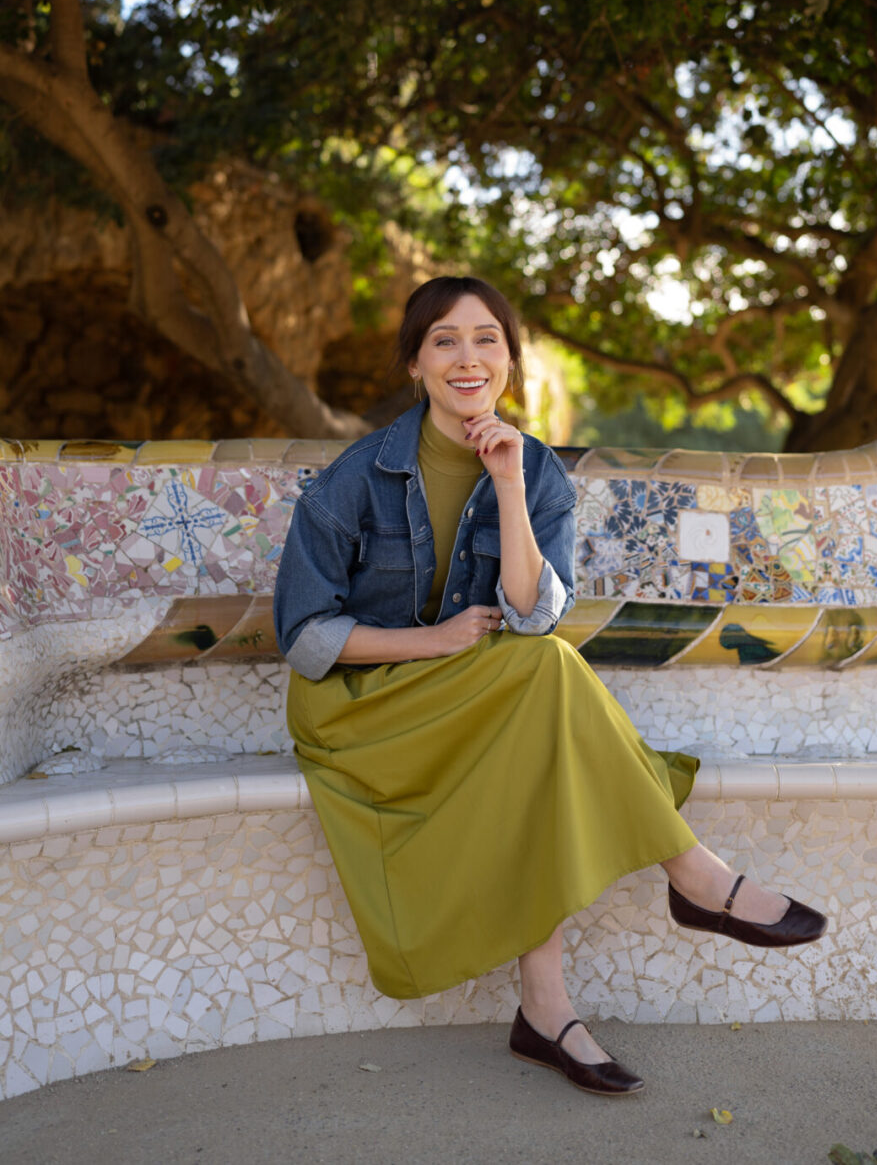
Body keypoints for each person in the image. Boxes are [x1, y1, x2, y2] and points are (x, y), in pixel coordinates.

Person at [273, 276, 826, 1096]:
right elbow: (307, 636)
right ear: (416, 363)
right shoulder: (356, 479)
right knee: (546, 681)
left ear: (510, 360)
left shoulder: (535, 473)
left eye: (487, 339)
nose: (469, 358)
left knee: (539, 694)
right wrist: (429, 642)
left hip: (478, 692)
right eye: (445, 342)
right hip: (363, 709)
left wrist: (504, 479)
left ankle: (547, 1006)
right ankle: (695, 878)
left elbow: (533, 620)